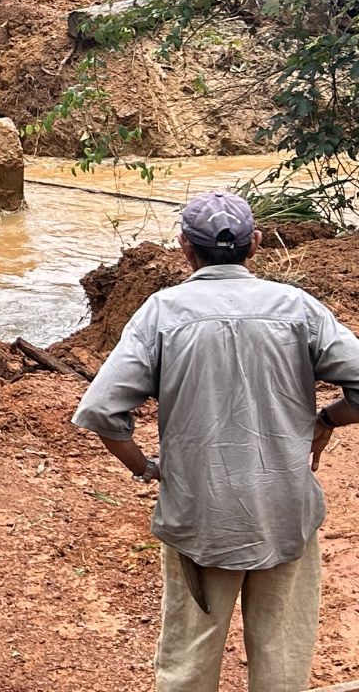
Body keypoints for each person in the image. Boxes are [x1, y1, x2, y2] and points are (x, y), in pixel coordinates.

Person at [73, 191, 359, 692]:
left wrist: (146, 468)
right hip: (284, 512)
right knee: (282, 661)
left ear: (185, 247)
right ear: (256, 243)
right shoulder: (297, 308)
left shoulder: (162, 313)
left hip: (200, 516)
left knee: (188, 662)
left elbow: (101, 410)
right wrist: (328, 420)